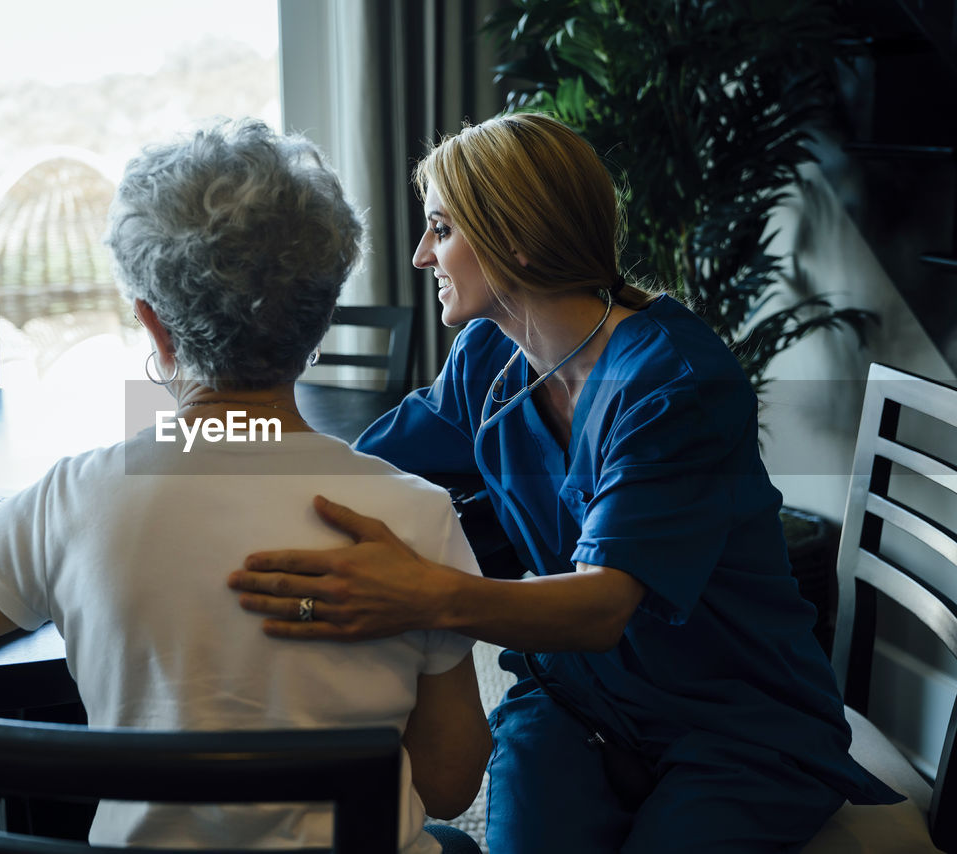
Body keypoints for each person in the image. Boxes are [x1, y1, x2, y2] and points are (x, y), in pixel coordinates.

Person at [227, 112, 901, 853]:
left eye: (442, 229)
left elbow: (602, 606)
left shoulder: (674, 383)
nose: (423, 256)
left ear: (518, 237)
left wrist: (420, 594)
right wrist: (209, 441)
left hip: (736, 722)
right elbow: (360, 468)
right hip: (575, 704)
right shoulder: (489, 354)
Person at [0, 119, 490, 853]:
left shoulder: (74, 499)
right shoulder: (416, 515)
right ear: (322, 316)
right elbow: (452, 782)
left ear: (154, 326)